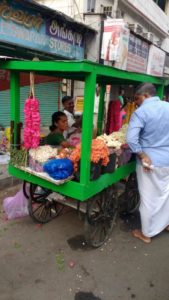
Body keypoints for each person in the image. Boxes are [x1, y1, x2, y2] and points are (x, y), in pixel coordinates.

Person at [126, 83, 169, 243]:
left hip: (149, 162)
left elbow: (131, 139)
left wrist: (142, 154)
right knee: (165, 194)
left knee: (149, 198)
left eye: (137, 98)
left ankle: (146, 234)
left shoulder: (141, 112)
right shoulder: (167, 107)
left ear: (145, 95)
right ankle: (165, 224)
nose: (136, 102)